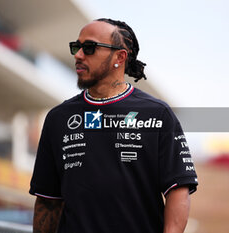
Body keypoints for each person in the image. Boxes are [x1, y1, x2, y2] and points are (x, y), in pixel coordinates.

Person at [30, 18, 198, 233]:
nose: (78, 55)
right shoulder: (57, 118)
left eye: (89, 48)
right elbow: (47, 201)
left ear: (120, 57)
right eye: (76, 47)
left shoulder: (158, 114)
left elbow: (177, 191)